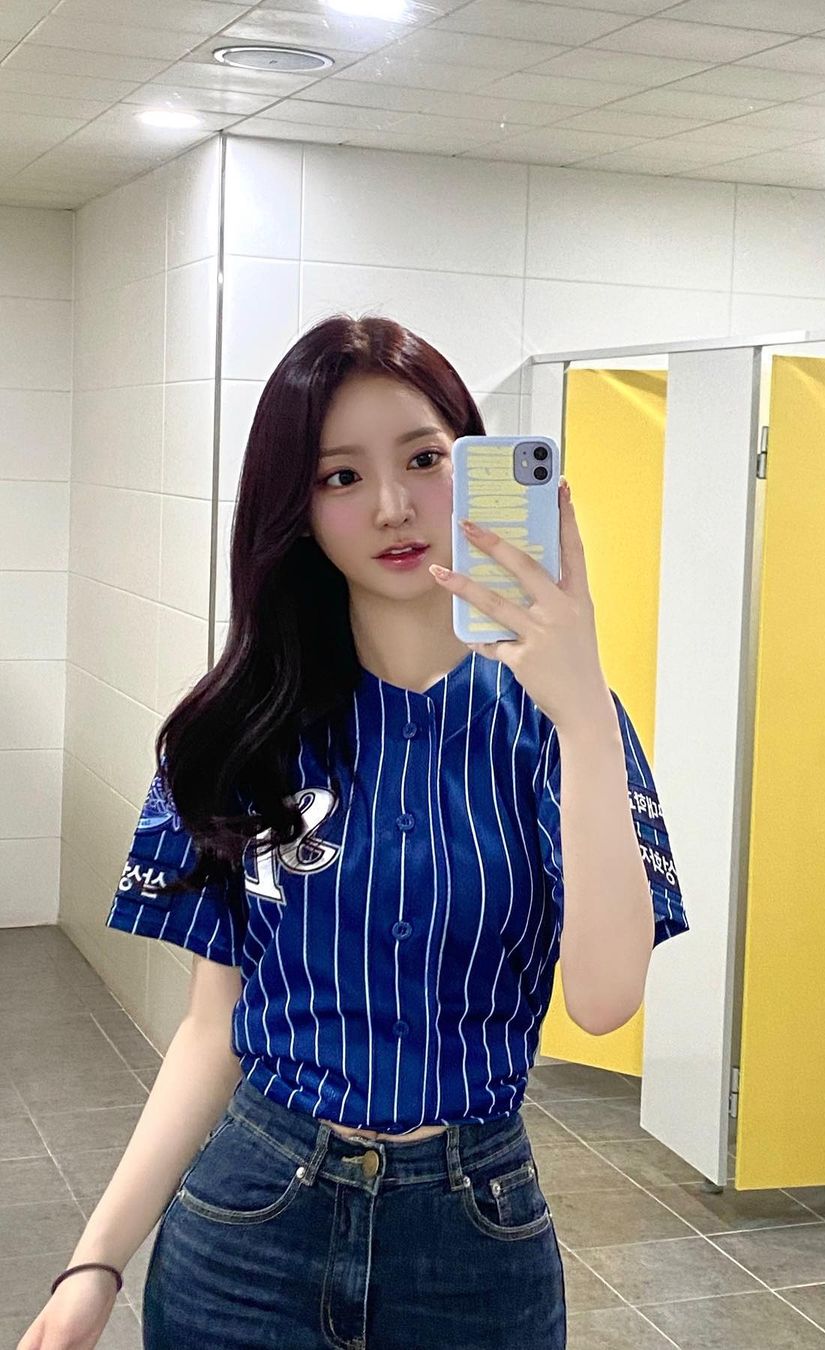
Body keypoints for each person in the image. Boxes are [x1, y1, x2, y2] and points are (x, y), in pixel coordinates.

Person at [18, 315, 688, 1350]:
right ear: (297, 510)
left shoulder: (563, 728)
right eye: (340, 476)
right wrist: (96, 1262)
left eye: (423, 459)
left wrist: (584, 714)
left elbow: (604, 1002)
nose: (390, 506)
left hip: (476, 1242)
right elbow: (213, 1028)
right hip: (249, 1226)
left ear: (472, 467)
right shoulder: (247, 728)